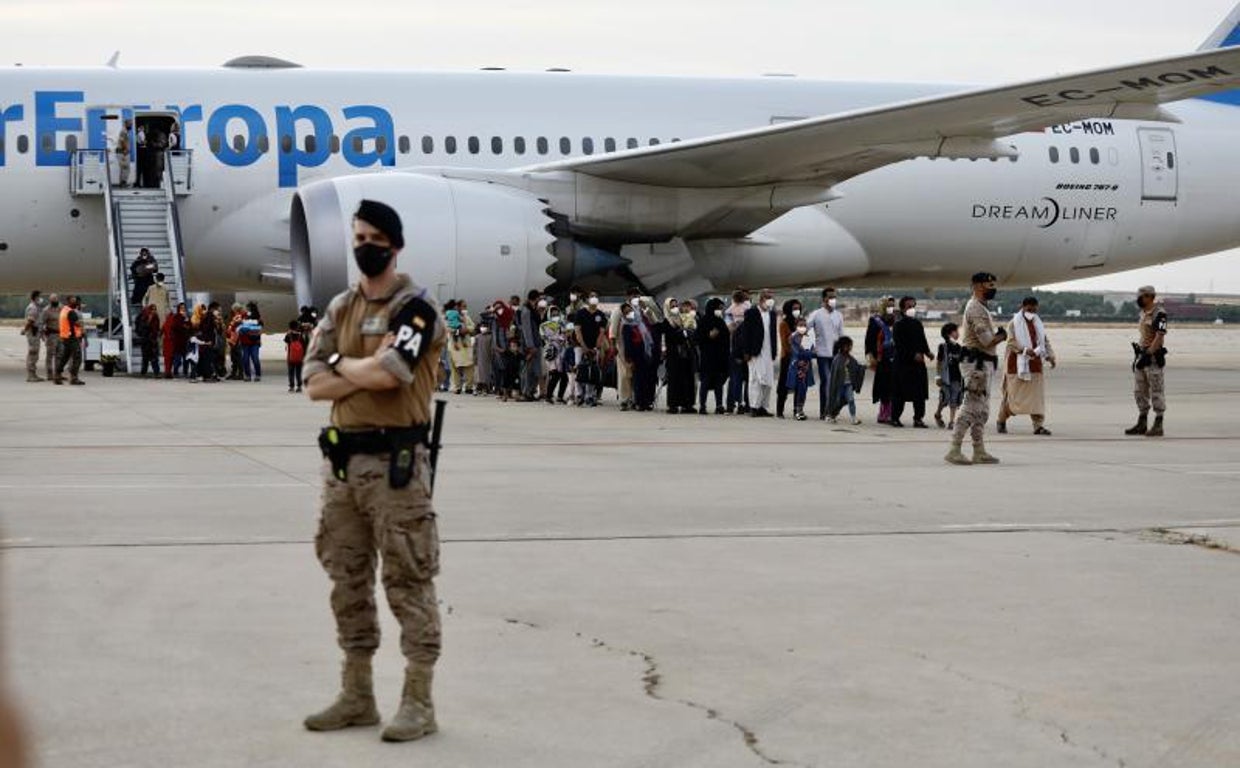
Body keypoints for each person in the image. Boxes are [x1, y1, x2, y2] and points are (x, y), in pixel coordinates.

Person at [302, 199, 446, 743]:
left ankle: (418, 701)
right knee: (347, 579)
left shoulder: (416, 309)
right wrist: (352, 366)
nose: (364, 245)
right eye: (358, 236)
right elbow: (313, 381)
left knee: (409, 579)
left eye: (374, 238)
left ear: (395, 245)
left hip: (397, 468)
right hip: (342, 466)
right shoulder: (341, 307)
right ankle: (357, 694)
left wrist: (346, 368)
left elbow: (395, 373)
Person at [946, 273, 1007, 465]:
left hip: (983, 362)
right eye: (989, 284)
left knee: (982, 409)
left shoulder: (981, 307)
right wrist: (1002, 336)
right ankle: (954, 448)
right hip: (976, 364)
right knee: (971, 406)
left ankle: (978, 450)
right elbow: (986, 340)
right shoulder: (975, 308)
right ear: (978, 286)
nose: (992, 287)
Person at [997, 297, 1056, 435]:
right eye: (1029, 309)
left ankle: (1038, 426)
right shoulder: (1013, 323)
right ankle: (1001, 420)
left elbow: (1044, 342)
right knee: (1012, 397)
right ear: (1023, 307)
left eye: (1034, 310)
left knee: (1036, 398)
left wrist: (1050, 356)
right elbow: (1011, 342)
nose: (1032, 312)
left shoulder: (1038, 323)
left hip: (1035, 365)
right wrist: (1024, 350)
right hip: (1015, 366)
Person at [1125, 285, 1169, 437]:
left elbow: (1160, 335)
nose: (1139, 299)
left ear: (1150, 296)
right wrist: (1140, 355)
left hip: (1152, 358)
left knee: (1156, 390)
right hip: (1142, 356)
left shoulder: (1159, 313)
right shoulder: (1143, 313)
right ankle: (1142, 422)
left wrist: (1149, 353)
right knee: (1140, 391)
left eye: (1141, 296)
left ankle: (1158, 424)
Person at [890, 296, 933, 429]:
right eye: (909, 306)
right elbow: (899, 345)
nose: (912, 309)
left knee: (920, 393)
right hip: (903, 364)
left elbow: (922, 340)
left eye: (913, 306)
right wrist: (912, 355)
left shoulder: (917, 323)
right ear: (902, 308)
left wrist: (927, 352)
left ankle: (918, 418)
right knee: (900, 393)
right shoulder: (898, 324)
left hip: (918, 364)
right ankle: (895, 418)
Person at [806, 287, 844, 420]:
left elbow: (841, 335)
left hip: (836, 354)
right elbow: (805, 328)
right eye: (830, 297)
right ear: (824, 299)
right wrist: (810, 346)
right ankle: (824, 411)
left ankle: (832, 409)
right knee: (826, 382)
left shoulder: (838, 315)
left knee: (835, 383)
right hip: (822, 353)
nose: (833, 299)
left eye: (834, 297)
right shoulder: (816, 314)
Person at [741, 289, 778, 418]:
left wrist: (774, 351)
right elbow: (745, 333)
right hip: (755, 352)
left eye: (771, 297)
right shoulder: (751, 312)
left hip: (768, 352)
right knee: (755, 379)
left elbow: (773, 334)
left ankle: (763, 406)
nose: (770, 300)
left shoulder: (772, 314)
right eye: (768, 297)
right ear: (761, 298)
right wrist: (746, 351)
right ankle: (754, 407)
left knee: (767, 381)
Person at [659, 298, 696, 414]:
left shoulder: (683, 318)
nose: (675, 308)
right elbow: (670, 337)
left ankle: (687, 404)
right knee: (674, 380)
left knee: (687, 379)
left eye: (676, 305)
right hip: (674, 355)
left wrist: (687, 333)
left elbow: (691, 333)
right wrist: (681, 333)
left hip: (686, 354)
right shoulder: (666, 321)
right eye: (672, 306)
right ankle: (673, 405)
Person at [572, 291, 609, 407]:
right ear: (587, 299)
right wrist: (583, 347)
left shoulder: (601, 315)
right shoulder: (580, 313)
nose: (594, 298)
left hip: (594, 348)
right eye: (592, 296)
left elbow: (602, 333)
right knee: (579, 368)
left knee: (592, 370)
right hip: (580, 347)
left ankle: (589, 396)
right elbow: (577, 331)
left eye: (596, 297)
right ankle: (579, 395)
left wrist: (595, 347)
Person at [864, 297, 897, 423]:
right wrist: (871, 356)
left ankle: (891, 412)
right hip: (882, 358)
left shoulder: (897, 320)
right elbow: (869, 340)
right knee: (884, 386)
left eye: (892, 305)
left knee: (893, 386)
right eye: (888, 305)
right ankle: (883, 411)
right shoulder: (875, 321)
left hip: (894, 357)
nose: (891, 307)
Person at [609, 287, 642, 410]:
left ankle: (634, 398)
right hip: (622, 345)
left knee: (634, 373)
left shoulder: (638, 309)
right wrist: (613, 345)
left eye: (637, 295)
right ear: (628, 296)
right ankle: (624, 400)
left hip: (636, 345)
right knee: (624, 374)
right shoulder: (619, 310)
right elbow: (613, 328)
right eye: (633, 295)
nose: (635, 298)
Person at [620, 301, 656, 411]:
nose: (629, 313)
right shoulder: (626, 327)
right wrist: (629, 360)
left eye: (630, 310)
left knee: (646, 379)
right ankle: (639, 402)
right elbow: (627, 344)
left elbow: (648, 339)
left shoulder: (641, 324)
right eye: (626, 312)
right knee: (637, 380)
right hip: (634, 356)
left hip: (645, 354)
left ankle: (646, 402)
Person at [696, 297, 730, 414]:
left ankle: (719, 405)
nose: (720, 310)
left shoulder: (720, 321)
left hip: (720, 357)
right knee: (705, 381)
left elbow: (725, 338)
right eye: (719, 308)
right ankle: (702, 405)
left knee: (718, 382)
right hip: (708, 356)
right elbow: (697, 338)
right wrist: (708, 336)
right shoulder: (704, 321)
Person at [775, 299, 803, 419]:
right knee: (784, 384)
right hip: (787, 357)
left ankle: (796, 410)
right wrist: (794, 353)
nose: (797, 311)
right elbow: (785, 343)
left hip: (798, 356)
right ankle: (780, 410)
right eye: (794, 308)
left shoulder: (799, 323)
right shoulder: (784, 324)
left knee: (799, 384)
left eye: (798, 308)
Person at [784, 316, 816, 421]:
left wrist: (810, 353)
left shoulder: (807, 337)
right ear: (796, 326)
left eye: (804, 325)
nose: (803, 327)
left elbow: (810, 351)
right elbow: (798, 353)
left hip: (806, 367)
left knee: (804, 389)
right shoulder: (793, 338)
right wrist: (809, 353)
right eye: (800, 325)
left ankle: (800, 409)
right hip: (797, 367)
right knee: (799, 388)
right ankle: (797, 410)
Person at [827, 337, 864, 425]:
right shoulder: (837, 359)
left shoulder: (851, 358)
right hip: (839, 385)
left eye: (850, 346)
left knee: (851, 400)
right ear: (843, 346)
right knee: (838, 401)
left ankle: (853, 418)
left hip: (848, 384)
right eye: (848, 346)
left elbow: (857, 367)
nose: (850, 348)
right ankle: (832, 415)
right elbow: (834, 375)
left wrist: (863, 368)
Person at [934, 322, 964, 429]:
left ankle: (952, 421)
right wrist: (938, 376)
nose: (957, 333)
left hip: (956, 377)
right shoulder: (943, 347)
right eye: (955, 331)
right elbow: (939, 362)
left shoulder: (959, 348)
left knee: (955, 399)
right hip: (945, 378)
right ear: (948, 334)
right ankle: (938, 414)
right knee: (944, 398)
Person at [725, 289, 751, 414]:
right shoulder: (749, 308)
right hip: (742, 351)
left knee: (735, 380)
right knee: (745, 380)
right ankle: (745, 404)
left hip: (735, 350)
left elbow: (730, 329)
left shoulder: (730, 310)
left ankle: (733, 403)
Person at [516, 290, 544, 401]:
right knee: (528, 370)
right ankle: (526, 392)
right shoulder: (526, 311)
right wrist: (530, 346)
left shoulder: (533, 309)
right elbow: (526, 330)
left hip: (537, 343)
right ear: (536, 298)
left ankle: (531, 391)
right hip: (530, 345)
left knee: (536, 370)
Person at [540, 305, 569, 403]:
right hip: (552, 352)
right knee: (556, 375)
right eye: (553, 313)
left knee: (564, 377)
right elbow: (544, 337)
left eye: (557, 313)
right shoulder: (544, 325)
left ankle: (558, 397)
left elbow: (566, 336)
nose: (555, 315)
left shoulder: (563, 324)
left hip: (561, 353)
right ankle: (549, 396)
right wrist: (558, 337)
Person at [53, 295, 85, 385]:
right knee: (77, 358)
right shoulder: (71, 312)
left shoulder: (64, 310)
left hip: (65, 337)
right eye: (73, 301)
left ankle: (57, 375)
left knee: (65, 357)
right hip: (72, 338)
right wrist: (81, 323)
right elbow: (77, 324)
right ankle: (74, 378)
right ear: (69, 302)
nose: (75, 303)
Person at [134, 304, 161, 376]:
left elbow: (157, 328)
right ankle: (143, 372)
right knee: (145, 357)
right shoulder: (144, 317)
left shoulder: (156, 318)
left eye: (155, 309)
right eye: (152, 309)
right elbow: (142, 328)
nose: (154, 311)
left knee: (154, 357)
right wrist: (149, 321)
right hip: (145, 340)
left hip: (153, 340)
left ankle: (156, 372)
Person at [21, 291, 43, 382]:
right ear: (35, 297)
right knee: (33, 353)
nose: (40, 299)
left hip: (35, 332)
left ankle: (33, 374)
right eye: (39, 297)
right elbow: (30, 321)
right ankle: (31, 376)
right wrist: (25, 330)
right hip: (33, 332)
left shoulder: (35, 307)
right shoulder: (33, 307)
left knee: (34, 354)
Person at [473, 311, 494, 396]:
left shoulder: (491, 337)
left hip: (487, 358)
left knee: (486, 374)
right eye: (482, 326)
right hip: (479, 358)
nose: (483, 328)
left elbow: (492, 348)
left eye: (485, 326)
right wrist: (474, 357)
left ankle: (486, 388)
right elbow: (474, 348)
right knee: (478, 374)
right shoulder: (477, 337)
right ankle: (479, 387)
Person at [40, 294, 61, 382]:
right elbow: (41, 323)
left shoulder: (62, 308)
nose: (55, 301)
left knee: (59, 355)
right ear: (50, 300)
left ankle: (58, 374)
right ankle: (49, 374)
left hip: (61, 335)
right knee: (50, 355)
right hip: (51, 335)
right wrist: (42, 336)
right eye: (53, 300)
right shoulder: (46, 310)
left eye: (56, 299)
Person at [239, 309, 264, 382]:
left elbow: (260, 329)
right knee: (245, 359)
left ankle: (258, 374)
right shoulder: (243, 320)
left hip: (254, 343)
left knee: (255, 358)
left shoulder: (257, 322)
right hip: (245, 343)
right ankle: (247, 375)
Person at [284, 320, 306, 392]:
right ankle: (299, 386)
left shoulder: (289, 335)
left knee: (291, 372)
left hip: (291, 357)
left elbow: (286, 341)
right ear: (297, 327)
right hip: (299, 357)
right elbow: (304, 345)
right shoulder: (300, 335)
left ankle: (291, 386)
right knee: (298, 372)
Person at [498, 337, 522, 401]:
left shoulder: (519, 355)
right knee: (505, 384)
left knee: (516, 385)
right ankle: (505, 396)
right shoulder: (507, 353)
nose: (513, 347)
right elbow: (501, 351)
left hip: (516, 372)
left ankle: (517, 396)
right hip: (507, 371)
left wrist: (531, 354)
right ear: (509, 347)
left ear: (518, 347)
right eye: (512, 346)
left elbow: (525, 358)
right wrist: (497, 348)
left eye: (515, 346)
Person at [115, 119, 132, 187]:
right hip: (123, 152)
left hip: (122, 151)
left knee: (123, 168)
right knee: (126, 167)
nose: (131, 125)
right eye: (130, 124)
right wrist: (125, 150)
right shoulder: (124, 131)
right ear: (126, 124)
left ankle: (122, 183)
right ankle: (123, 183)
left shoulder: (125, 131)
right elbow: (122, 141)